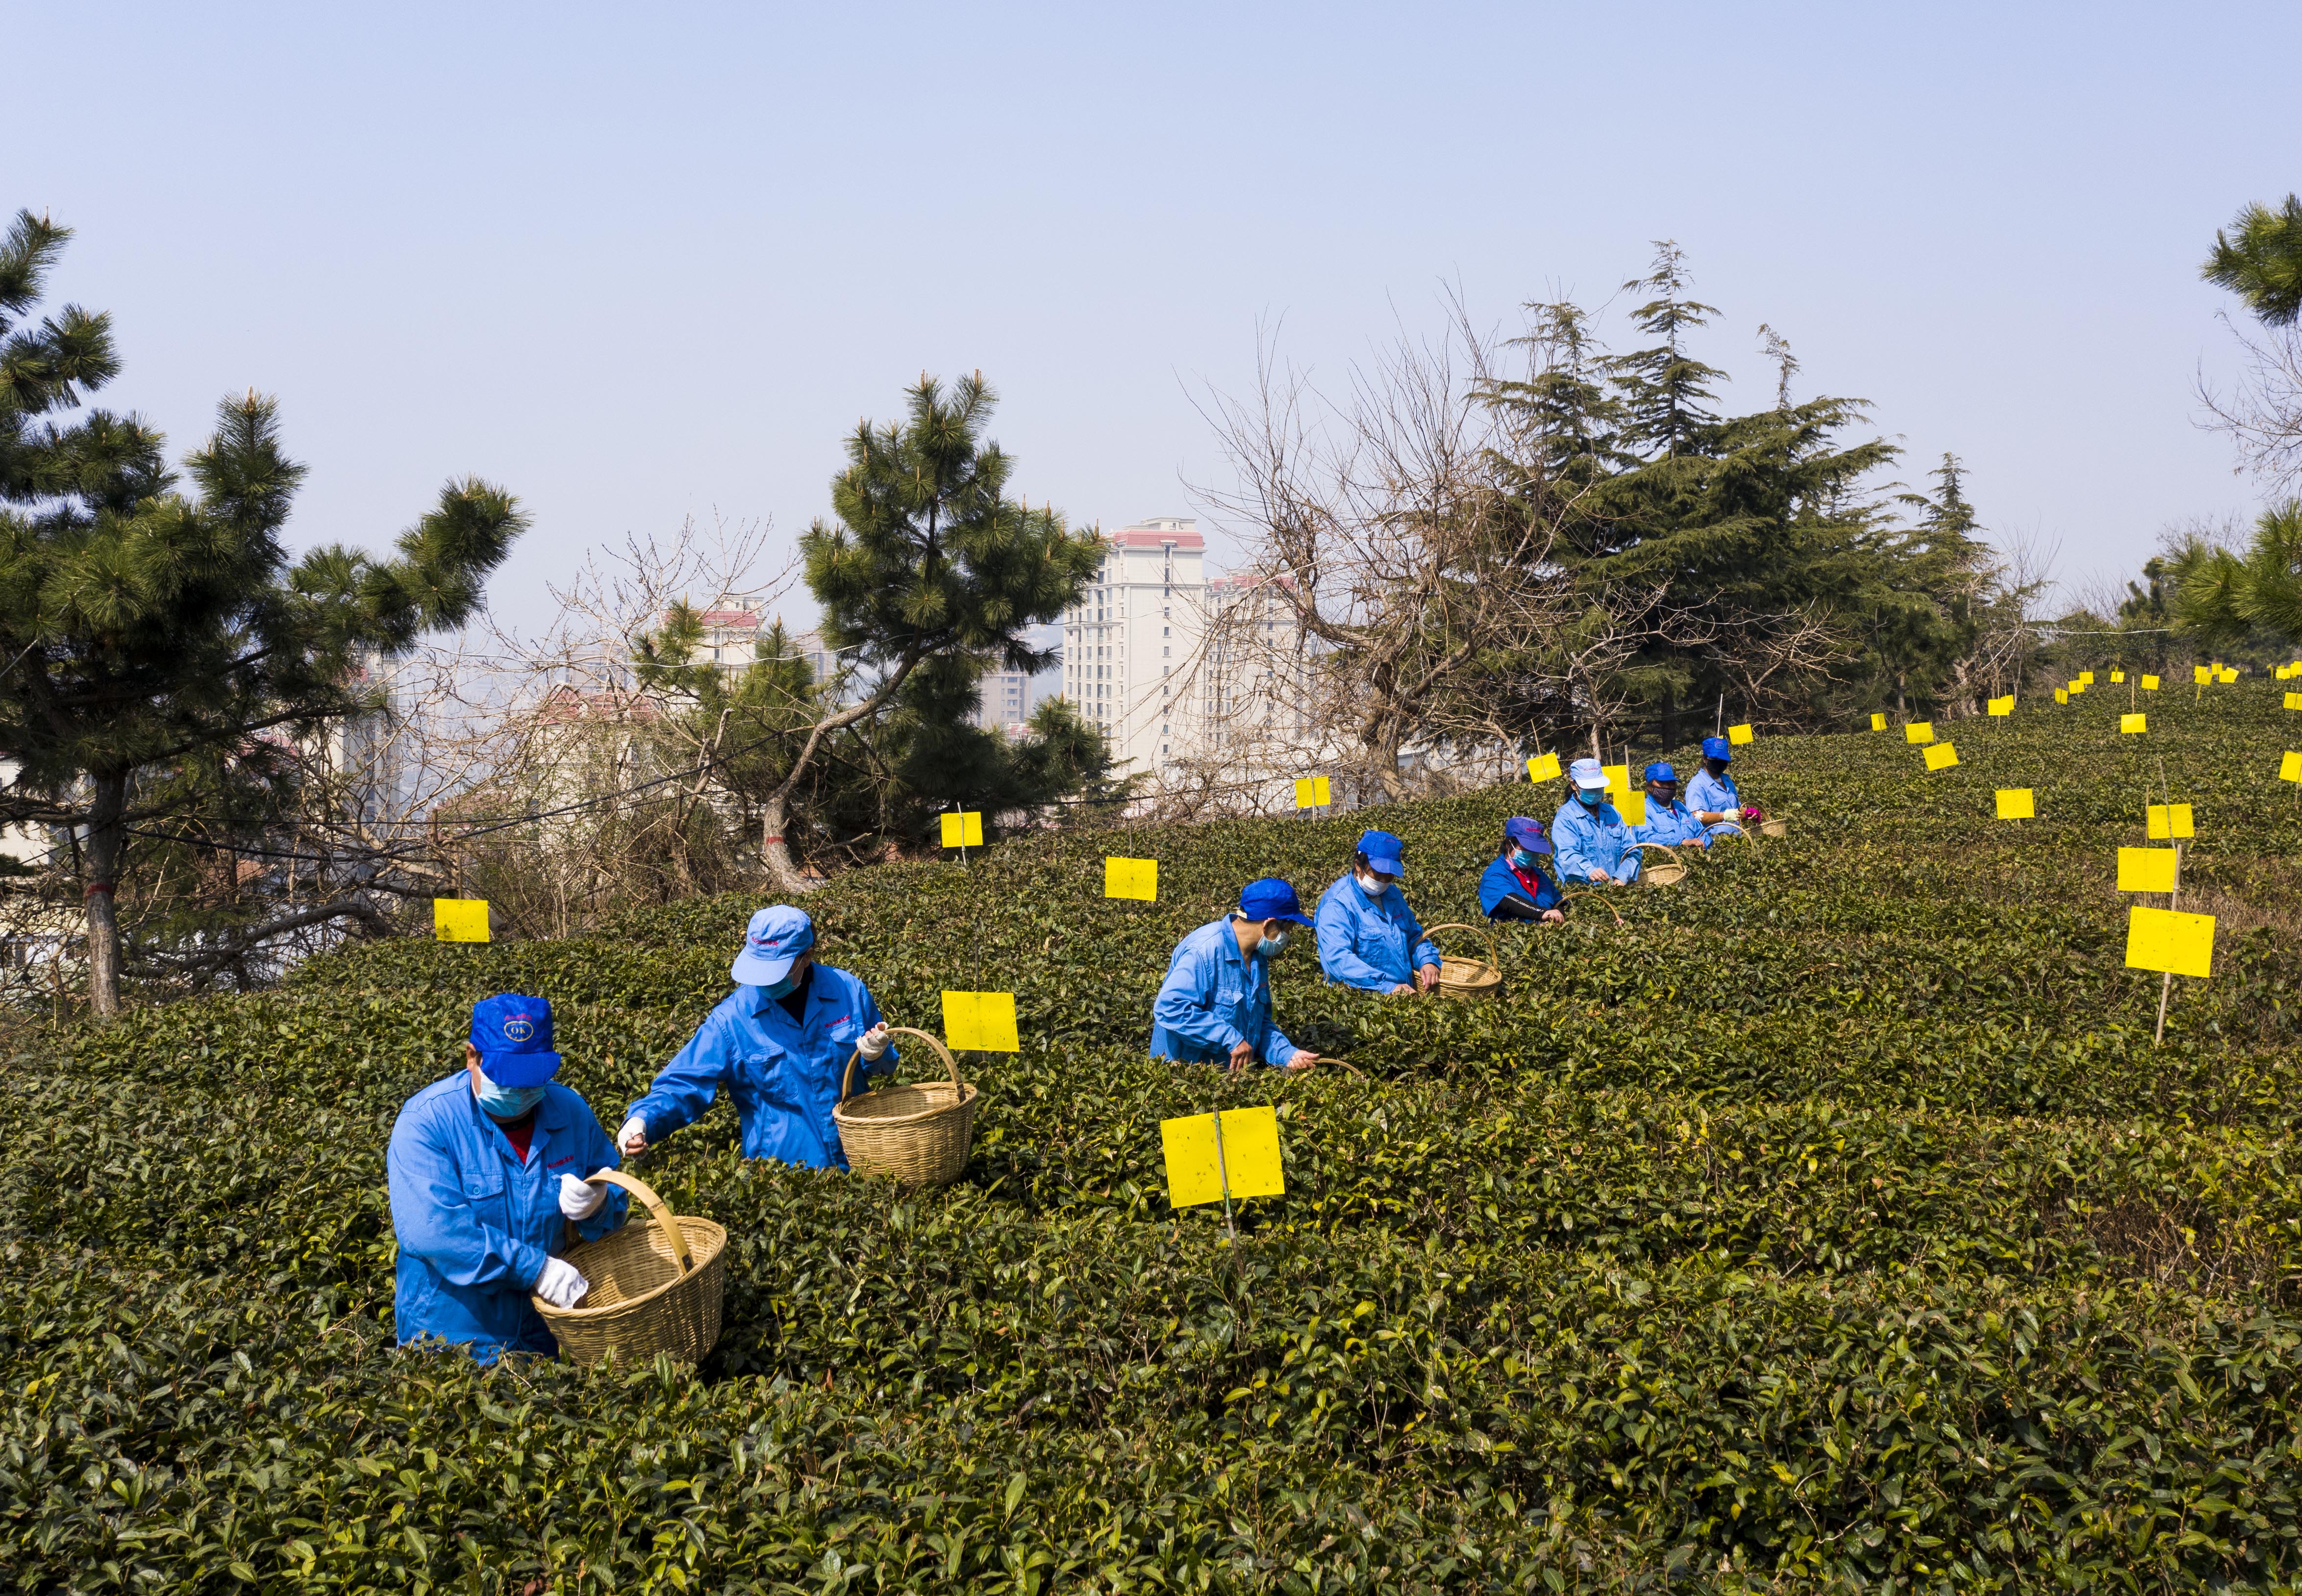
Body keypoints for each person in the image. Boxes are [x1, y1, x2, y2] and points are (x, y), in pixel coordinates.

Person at [388, 993, 630, 1361]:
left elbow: (614, 1198)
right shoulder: (427, 1122)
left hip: (545, 1332)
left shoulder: (570, 1111)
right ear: (473, 1057)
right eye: (507, 1077)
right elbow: (437, 1233)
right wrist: (535, 1269)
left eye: (531, 1078)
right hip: (451, 1337)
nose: (519, 1091)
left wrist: (598, 1205)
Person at [617, 906, 896, 1169]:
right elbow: (686, 1080)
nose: (766, 982)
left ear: (806, 957)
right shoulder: (732, 1019)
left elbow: (884, 1066)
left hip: (862, 1160)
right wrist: (643, 1119)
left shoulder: (848, 991)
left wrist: (877, 1054)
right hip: (786, 1178)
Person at [1150, 876, 1324, 1073]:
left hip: (1229, 1081)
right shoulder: (1204, 951)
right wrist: (1230, 1039)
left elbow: (1261, 1024)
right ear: (1269, 925)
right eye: (1287, 931)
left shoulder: (1258, 957)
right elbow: (1170, 1007)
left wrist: (1288, 1054)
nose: (1287, 939)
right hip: (1184, 1078)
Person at [1315, 829, 1442, 994]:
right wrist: (1387, 987)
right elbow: (1338, 961)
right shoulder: (1337, 905)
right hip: (1365, 1001)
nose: (1384, 881)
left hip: (1405, 994)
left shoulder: (1393, 895)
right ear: (1358, 866)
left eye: (1390, 876)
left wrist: (1427, 960)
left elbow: (1413, 936)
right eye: (1378, 874)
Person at [1551, 757, 1642, 884]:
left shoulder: (1612, 813)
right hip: (1584, 894)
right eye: (1590, 788)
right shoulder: (1566, 818)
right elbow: (1568, 856)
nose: (1595, 792)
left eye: (1598, 787)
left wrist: (1622, 876)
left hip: (1616, 890)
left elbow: (1632, 850)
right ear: (1574, 785)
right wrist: (1589, 871)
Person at [1479, 817, 1566, 923]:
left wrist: (1557, 916)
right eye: (1526, 849)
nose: (1531, 853)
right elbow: (1508, 900)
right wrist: (1542, 913)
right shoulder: (1495, 874)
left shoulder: (1539, 874)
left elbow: (1559, 902)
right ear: (1508, 845)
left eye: (1535, 850)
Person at [1685, 736, 1755, 839]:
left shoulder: (1727, 781)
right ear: (1705, 759)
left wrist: (1749, 813)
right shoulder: (1697, 785)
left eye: (1723, 760)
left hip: (1735, 838)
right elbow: (1696, 816)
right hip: (1714, 843)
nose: (1720, 763)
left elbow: (1735, 809)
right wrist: (1722, 816)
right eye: (1715, 759)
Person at [1631, 761, 1710, 851]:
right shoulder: (1642, 809)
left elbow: (1701, 832)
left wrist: (1704, 843)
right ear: (1650, 786)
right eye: (1663, 783)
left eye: (1671, 783)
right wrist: (1681, 842)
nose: (1668, 787)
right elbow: (1645, 837)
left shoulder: (1680, 807)